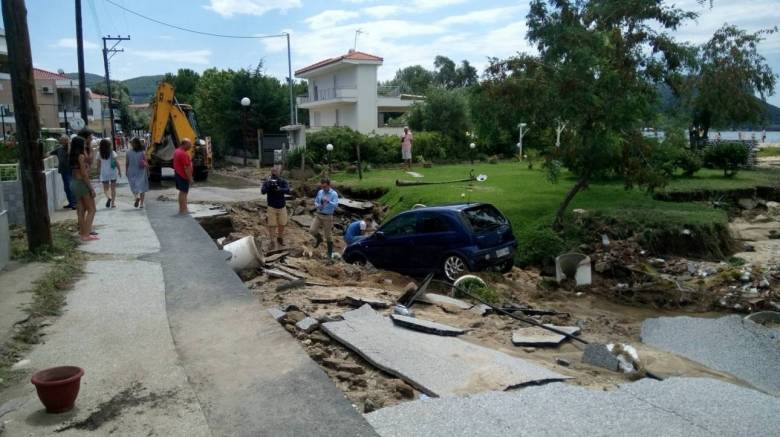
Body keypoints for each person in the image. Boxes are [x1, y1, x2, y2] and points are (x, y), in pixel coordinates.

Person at [69, 136, 98, 241]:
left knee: (81, 210)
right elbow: (84, 174)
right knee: (92, 209)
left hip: (74, 183)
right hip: (81, 183)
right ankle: (86, 234)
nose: (86, 145)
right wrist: (91, 189)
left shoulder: (72, 156)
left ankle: (82, 232)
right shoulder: (81, 156)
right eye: (84, 144)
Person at [261, 166, 290, 248]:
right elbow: (263, 191)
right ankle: (272, 241)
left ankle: (280, 238)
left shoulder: (283, 181)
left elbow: (288, 190)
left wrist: (279, 189)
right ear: (271, 172)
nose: (274, 173)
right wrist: (269, 186)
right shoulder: (267, 182)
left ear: (279, 172)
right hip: (271, 206)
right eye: (273, 171)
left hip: (282, 206)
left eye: (276, 171)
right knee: (272, 224)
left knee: (282, 223)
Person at [310, 177, 339, 259]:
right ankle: (319, 239)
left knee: (328, 236)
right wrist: (318, 205)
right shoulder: (320, 192)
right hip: (319, 214)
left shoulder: (334, 194)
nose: (323, 188)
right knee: (312, 230)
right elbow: (316, 201)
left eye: (325, 186)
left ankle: (329, 253)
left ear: (329, 185)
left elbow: (336, 205)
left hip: (328, 216)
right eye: (322, 186)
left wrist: (328, 202)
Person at [50, 135, 76, 209]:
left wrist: (69, 144)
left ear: (66, 141)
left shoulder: (71, 149)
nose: (60, 141)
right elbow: (49, 153)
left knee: (70, 186)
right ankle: (71, 202)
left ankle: (74, 203)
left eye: (62, 140)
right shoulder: (59, 149)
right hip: (63, 171)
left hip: (70, 170)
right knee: (66, 188)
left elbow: (69, 153)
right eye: (60, 140)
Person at [125, 137, 150, 208]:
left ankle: (136, 197)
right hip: (141, 171)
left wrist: (126, 171)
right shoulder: (142, 152)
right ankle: (141, 204)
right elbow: (146, 162)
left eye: (132, 143)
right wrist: (148, 171)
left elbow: (127, 163)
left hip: (131, 171)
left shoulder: (128, 152)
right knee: (142, 187)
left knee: (133, 186)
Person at [97, 139, 121, 208]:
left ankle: (109, 197)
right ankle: (113, 204)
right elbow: (117, 162)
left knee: (105, 189)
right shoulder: (112, 152)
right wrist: (119, 171)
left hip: (104, 172)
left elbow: (98, 165)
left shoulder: (99, 153)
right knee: (113, 189)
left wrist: (98, 173)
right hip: (113, 172)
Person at [173, 138, 194, 215]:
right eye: (189, 145)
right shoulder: (183, 154)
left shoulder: (177, 151)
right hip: (183, 175)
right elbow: (186, 168)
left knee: (182, 192)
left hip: (178, 174)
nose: (190, 147)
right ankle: (183, 210)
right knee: (184, 193)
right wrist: (190, 178)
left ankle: (182, 209)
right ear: (184, 144)